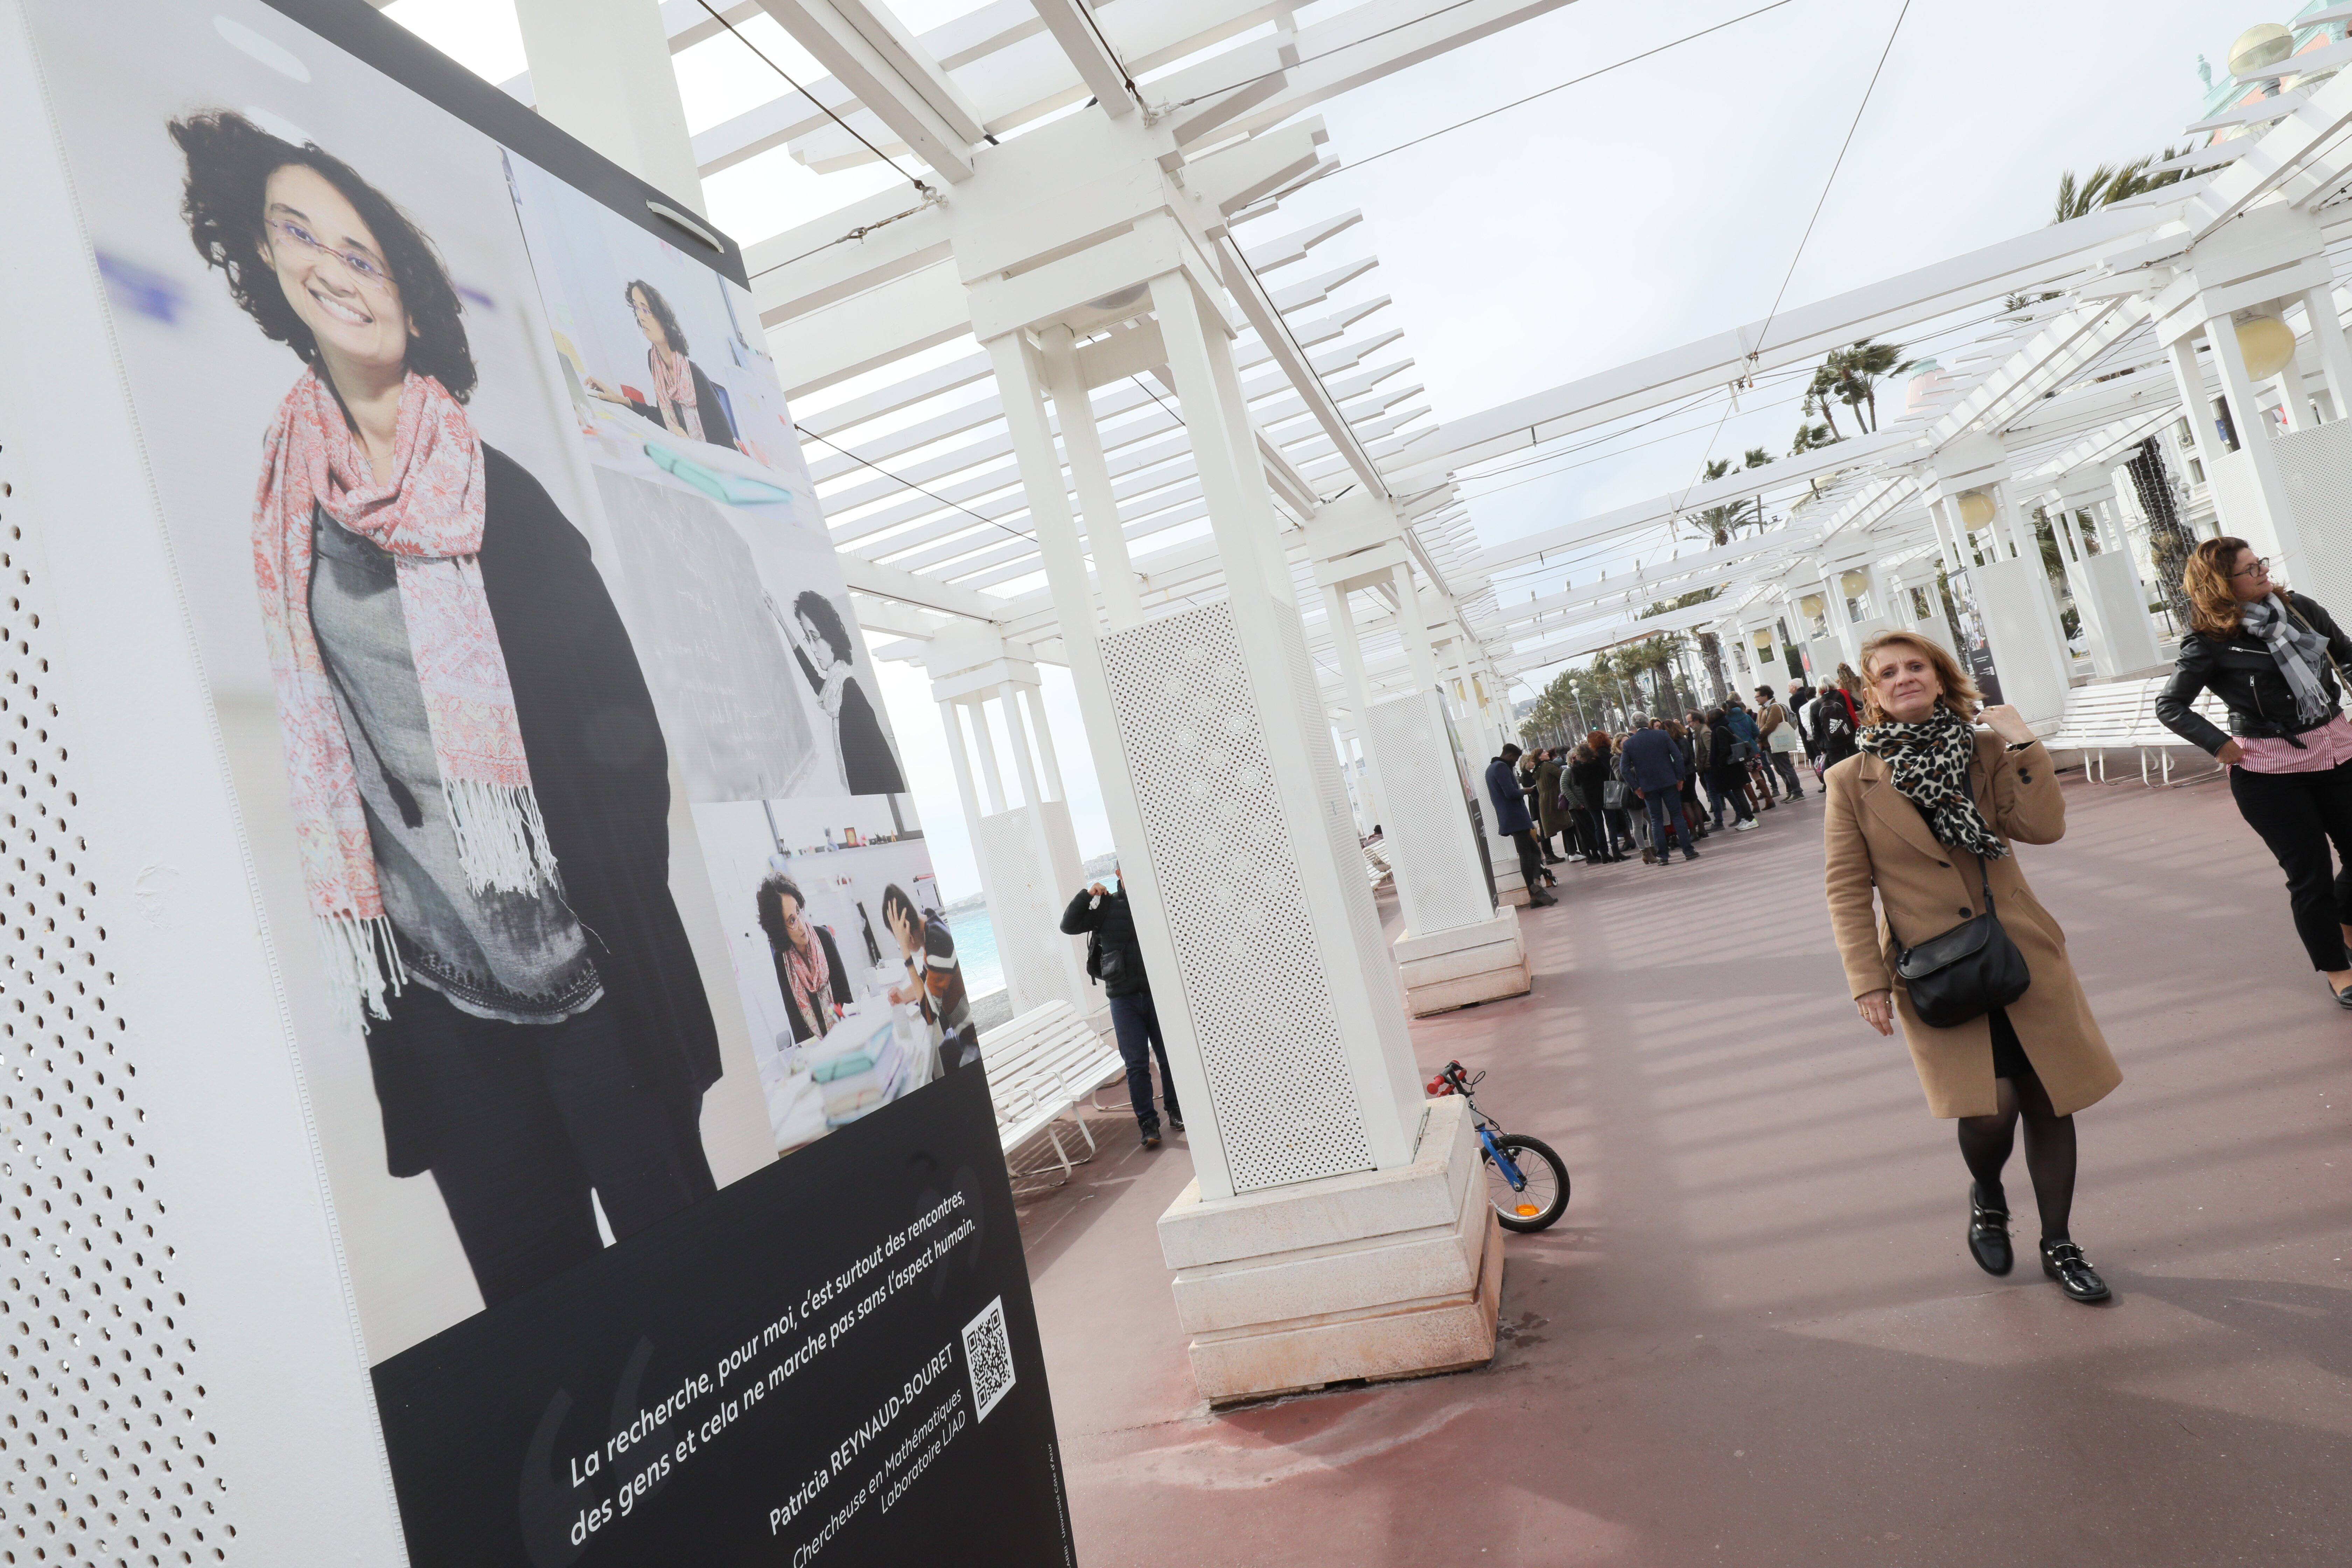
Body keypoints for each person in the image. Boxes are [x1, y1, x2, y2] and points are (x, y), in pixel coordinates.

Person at [175, 111, 720, 1306]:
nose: (328, 265)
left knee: (691, 1309)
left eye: (359, 250)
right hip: (442, 1002)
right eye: (294, 237)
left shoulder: (499, 502)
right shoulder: (286, 506)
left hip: (587, 985)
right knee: (547, 1343)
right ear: (268, 268)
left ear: (408, 298)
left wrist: (591, 916)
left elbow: (624, 747)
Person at [1823, 630, 2120, 1304]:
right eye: (1888, 673)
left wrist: (2024, 745)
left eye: (1915, 667)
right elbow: (1846, 887)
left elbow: (2044, 829)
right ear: (1871, 693)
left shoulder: (1985, 749)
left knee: (2049, 1095)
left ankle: (2060, 1244)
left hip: (2020, 949)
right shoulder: (1852, 781)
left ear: (1938, 675)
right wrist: (1867, 980)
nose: (1904, 678)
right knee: (1991, 1111)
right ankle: (1988, 1196)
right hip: (1934, 968)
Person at [2155, 538, 2352, 1006]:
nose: (2262, 572)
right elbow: (2170, 705)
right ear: (2222, 585)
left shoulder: (2298, 610)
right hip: (2270, 775)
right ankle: (2338, 970)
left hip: (2337, 751)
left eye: (2259, 562)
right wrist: (2220, 746)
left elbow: (2345, 654)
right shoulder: (2209, 641)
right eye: (2248, 570)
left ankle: (2344, 920)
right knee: (2311, 876)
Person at [1060, 868, 1183, 1149]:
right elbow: (1069, 925)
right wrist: (1087, 894)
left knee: (1169, 1058)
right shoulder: (1107, 906)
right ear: (1119, 872)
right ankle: (1148, 1125)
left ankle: (1176, 1110)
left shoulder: (1155, 903)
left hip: (1158, 995)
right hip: (1123, 999)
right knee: (1137, 1065)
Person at [773, 589, 907, 796]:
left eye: (815, 637)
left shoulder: (850, 695)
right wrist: (781, 621)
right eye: (808, 639)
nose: (813, 649)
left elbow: (883, 766)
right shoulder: (836, 689)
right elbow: (813, 677)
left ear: (831, 636)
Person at [582, 278, 741, 450]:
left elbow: (728, 446)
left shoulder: (694, 377)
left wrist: (692, 443)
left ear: (664, 320)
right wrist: (621, 400)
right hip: (682, 452)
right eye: (637, 309)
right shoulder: (656, 361)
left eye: (646, 310)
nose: (641, 317)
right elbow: (664, 418)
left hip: (710, 462)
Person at [882, 884, 978, 1074]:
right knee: (935, 1056)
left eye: (899, 940)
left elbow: (929, 1013)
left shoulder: (938, 941)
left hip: (974, 1037)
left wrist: (907, 956)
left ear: (907, 932)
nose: (901, 945)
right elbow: (926, 980)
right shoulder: (930, 924)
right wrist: (903, 996)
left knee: (928, 1067)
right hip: (962, 1030)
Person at [756, 873, 851, 1043]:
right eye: (792, 920)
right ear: (780, 929)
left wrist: (837, 1036)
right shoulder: (782, 960)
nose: (801, 925)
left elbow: (845, 999)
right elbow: (796, 1021)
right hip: (814, 1047)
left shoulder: (824, 938)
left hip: (844, 1033)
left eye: (799, 912)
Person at [1485, 745, 1558, 905]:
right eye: (1516, 759)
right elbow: (1510, 793)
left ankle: (1536, 886)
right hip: (1515, 817)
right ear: (1510, 755)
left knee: (1533, 851)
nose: (1516, 762)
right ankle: (1533, 891)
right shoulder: (1501, 768)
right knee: (1527, 854)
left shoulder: (1492, 768)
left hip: (1511, 817)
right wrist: (1525, 791)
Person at [1620, 718, 1698, 864]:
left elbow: (1624, 769)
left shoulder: (1630, 743)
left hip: (1648, 787)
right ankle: (1688, 850)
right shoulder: (1662, 735)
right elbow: (1677, 756)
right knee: (1677, 816)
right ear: (1647, 723)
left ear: (1635, 727)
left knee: (1656, 821)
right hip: (1669, 782)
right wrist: (1680, 777)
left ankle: (1663, 856)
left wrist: (1636, 787)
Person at [1568, 739, 1624, 862]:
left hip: (1590, 799)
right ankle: (1616, 850)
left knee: (1598, 826)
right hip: (1604, 796)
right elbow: (1607, 775)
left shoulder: (1576, 768)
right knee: (1611, 823)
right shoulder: (1597, 763)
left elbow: (1576, 783)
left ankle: (1604, 853)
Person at [1708, 708, 1759, 831]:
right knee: (1738, 793)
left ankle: (1750, 819)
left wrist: (1720, 763)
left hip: (1730, 768)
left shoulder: (1719, 729)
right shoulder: (1724, 726)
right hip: (1734, 767)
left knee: (1739, 794)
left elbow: (1724, 749)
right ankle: (1746, 818)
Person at [1756, 684, 1807, 800]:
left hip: (1777, 743)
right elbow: (1759, 726)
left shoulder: (1775, 707)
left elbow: (1770, 726)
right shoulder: (1762, 709)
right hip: (1768, 744)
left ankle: (1797, 792)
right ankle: (1791, 791)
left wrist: (1758, 737)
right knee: (1780, 769)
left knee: (1786, 768)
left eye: (1758, 696)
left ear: (1766, 696)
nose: (1756, 699)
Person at [1809, 665, 1864, 770]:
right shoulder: (1843, 695)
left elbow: (1815, 730)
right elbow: (1859, 706)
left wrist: (1822, 746)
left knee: (1839, 769)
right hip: (1850, 736)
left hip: (1831, 743)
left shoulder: (1815, 705)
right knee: (1859, 764)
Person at [1533, 747, 1575, 863]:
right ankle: (1572, 852)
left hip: (1545, 800)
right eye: (1544, 753)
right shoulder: (1547, 766)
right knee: (1567, 824)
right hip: (1554, 799)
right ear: (1539, 757)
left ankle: (1549, 854)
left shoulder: (1539, 768)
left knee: (1547, 829)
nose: (1547, 753)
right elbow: (1562, 775)